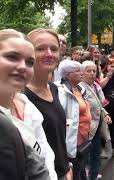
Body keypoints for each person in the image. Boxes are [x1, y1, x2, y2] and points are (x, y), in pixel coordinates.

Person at [0, 28, 50, 180]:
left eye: (29, 62)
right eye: (12, 57)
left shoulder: (26, 105)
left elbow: (46, 154)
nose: (23, 67)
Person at [25, 28, 72, 180]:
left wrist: (66, 167)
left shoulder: (53, 88)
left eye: (54, 49)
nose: (49, 54)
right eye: (40, 49)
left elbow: (57, 138)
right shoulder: (20, 97)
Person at [56, 59, 92, 180]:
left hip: (83, 139)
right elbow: (62, 118)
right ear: (68, 75)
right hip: (72, 143)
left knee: (81, 170)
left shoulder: (80, 89)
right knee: (75, 172)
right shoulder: (62, 91)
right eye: (77, 71)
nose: (81, 73)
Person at [80, 61, 112, 180]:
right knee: (87, 156)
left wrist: (105, 114)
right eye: (89, 71)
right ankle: (89, 175)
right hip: (87, 129)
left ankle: (93, 174)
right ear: (82, 73)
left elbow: (99, 104)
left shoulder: (95, 86)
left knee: (95, 153)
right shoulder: (80, 87)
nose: (92, 73)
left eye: (94, 71)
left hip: (96, 126)